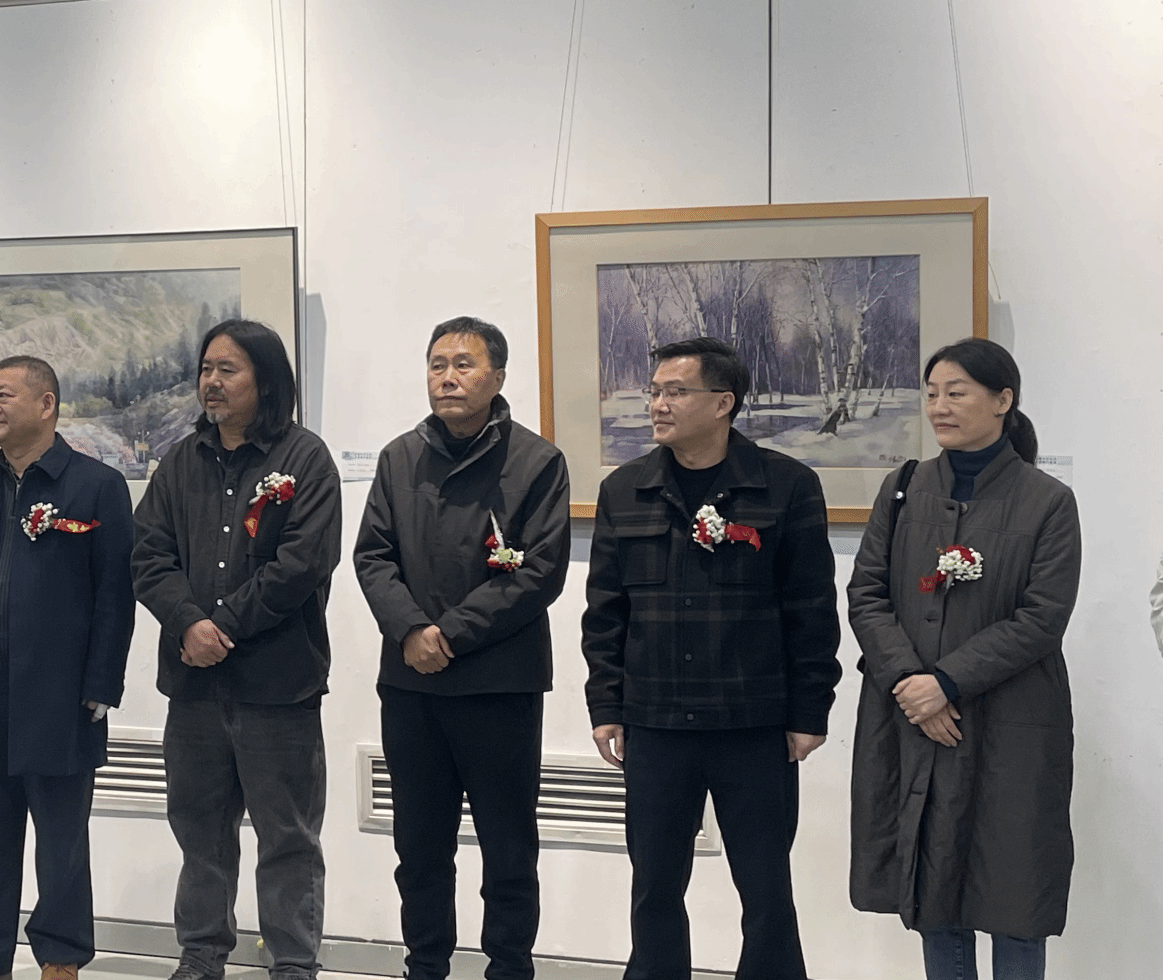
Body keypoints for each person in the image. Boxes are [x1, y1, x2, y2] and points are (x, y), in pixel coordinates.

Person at [580, 336, 839, 980]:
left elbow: (811, 610)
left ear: (723, 403)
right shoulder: (625, 489)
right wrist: (606, 705)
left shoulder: (787, 485)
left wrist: (810, 712)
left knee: (766, 889)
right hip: (655, 723)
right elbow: (605, 612)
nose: (657, 405)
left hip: (754, 723)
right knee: (654, 888)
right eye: (654, 391)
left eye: (676, 392)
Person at [846, 338, 1078, 980]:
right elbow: (866, 594)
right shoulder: (903, 488)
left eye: (956, 393)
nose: (939, 407)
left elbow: (1042, 616)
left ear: (1003, 401)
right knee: (934, 886)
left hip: (1011, 722)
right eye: (931, 393)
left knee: (1013, 893)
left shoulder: (1048, 500)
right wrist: (910, 684)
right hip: (913, 719)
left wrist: (946, 682)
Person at [353, 317, 570, 980]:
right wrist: (411, 631)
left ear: (497, 377)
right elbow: (372, 556)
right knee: (419, 848)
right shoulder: (398, 458)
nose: (448, 377)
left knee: (508, 850)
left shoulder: (537, 462)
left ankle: (509, 968)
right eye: (437, 364)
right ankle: (425, 967)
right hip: (412, 685)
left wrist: (448, 634)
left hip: (499, 685)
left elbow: (538, 571)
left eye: (464, 364)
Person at [132, 318, 342, 980]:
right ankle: (200, 958)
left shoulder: (305, 459)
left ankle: (293, 965)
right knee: (200, 835)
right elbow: (147, 555)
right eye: (206, 369)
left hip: (278, 687)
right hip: (193, 689)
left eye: (228, 370)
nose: (212, 382)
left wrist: (220, 625)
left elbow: (301, 564)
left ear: (266, 381)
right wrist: (187, 623)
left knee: (288, 840)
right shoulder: (179, 462)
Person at [0, 356, 136, 980]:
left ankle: (61, 954)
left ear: (47, 405)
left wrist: (102, 683)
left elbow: (115, 596)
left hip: (60, 695)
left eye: (6, 395)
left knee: (61, 836)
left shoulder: (97, 486)